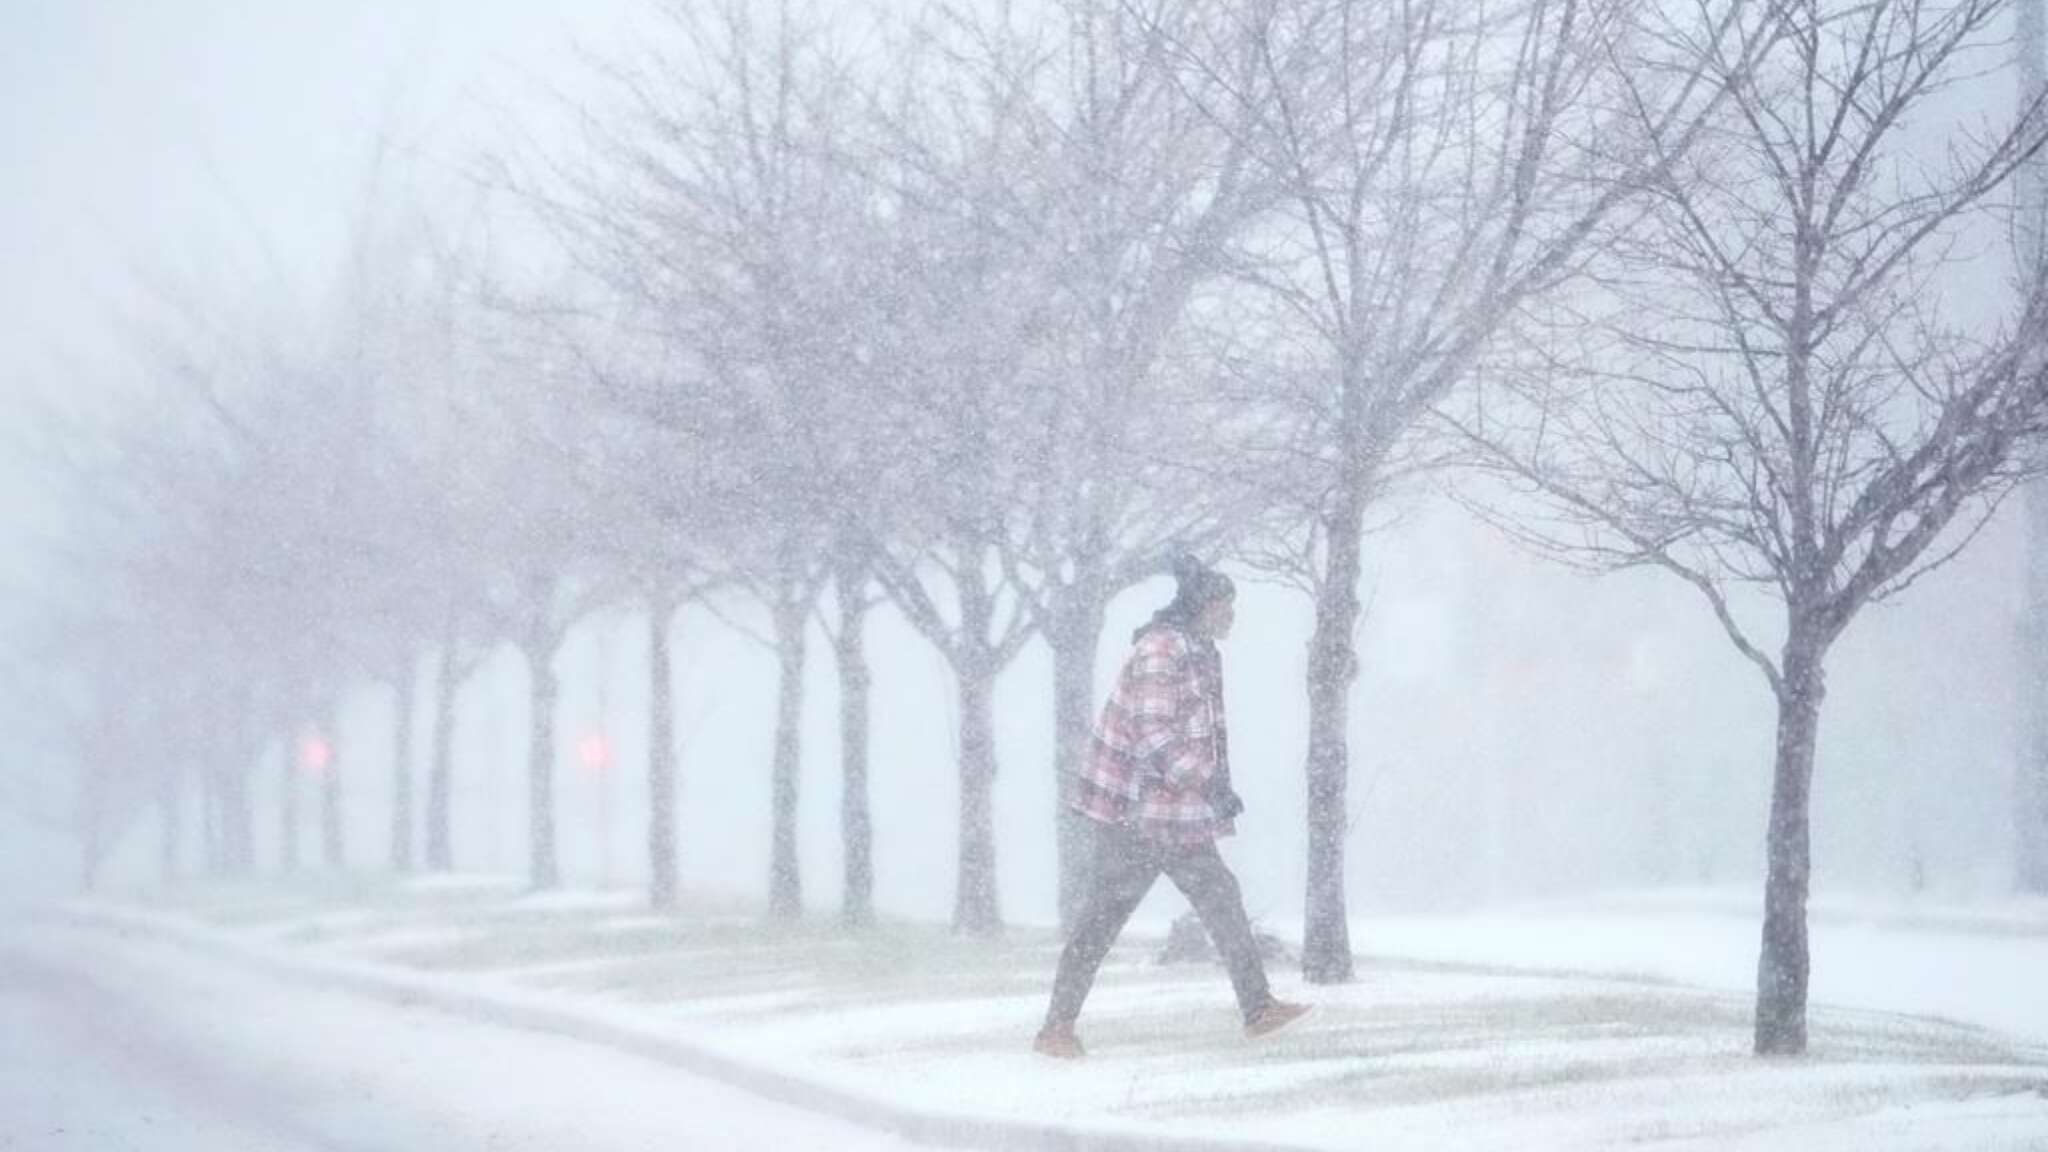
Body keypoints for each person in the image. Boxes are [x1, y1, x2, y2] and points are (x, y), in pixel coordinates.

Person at [1035, 557, 1310, 1059]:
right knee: (1102, 918)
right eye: (1227, 606)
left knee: (1220, 898)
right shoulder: (1162, 651)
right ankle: (1056, 1028)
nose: (1232, 616)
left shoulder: (1199, 651)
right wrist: (1211, 785)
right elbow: (1154, 735)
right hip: (1135, 814)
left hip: (1173, 813)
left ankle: (1258, 1009)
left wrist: (1209, 789)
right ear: (1204, 606)